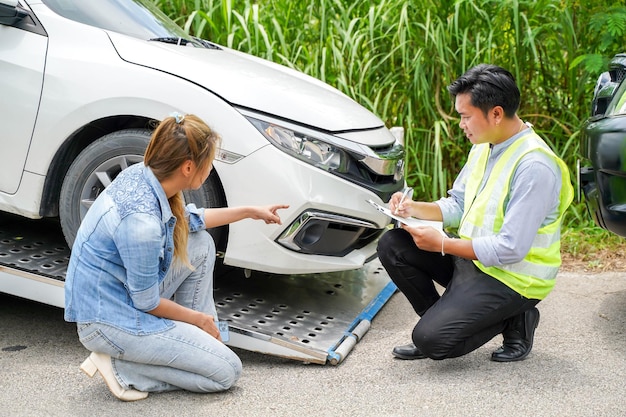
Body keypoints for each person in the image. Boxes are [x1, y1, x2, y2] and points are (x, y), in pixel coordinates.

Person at [64, 113, 289, 401]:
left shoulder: (143, 176)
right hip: (109, 321)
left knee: (200, 244)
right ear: (188, 167)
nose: (211, 168)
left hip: (123, 296)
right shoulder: (141, 224)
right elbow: (146, 302)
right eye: (209, 162)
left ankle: (202, 343)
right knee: (226, 371)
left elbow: (190, 221)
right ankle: (122, 368)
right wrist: (196, 319)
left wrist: (249, 212)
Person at [377, 64, 573, 362]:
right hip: (474, 261)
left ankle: (516, 317)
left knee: (433, 343)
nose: (461, 124)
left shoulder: (534, 167)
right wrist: (413, 208)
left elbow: (511, 248)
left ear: (495, 113)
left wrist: (441, 244)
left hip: (513, 279)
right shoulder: (485, 146)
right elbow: (457, 205)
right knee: (393, 244)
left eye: (465, 116)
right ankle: (440, 322)